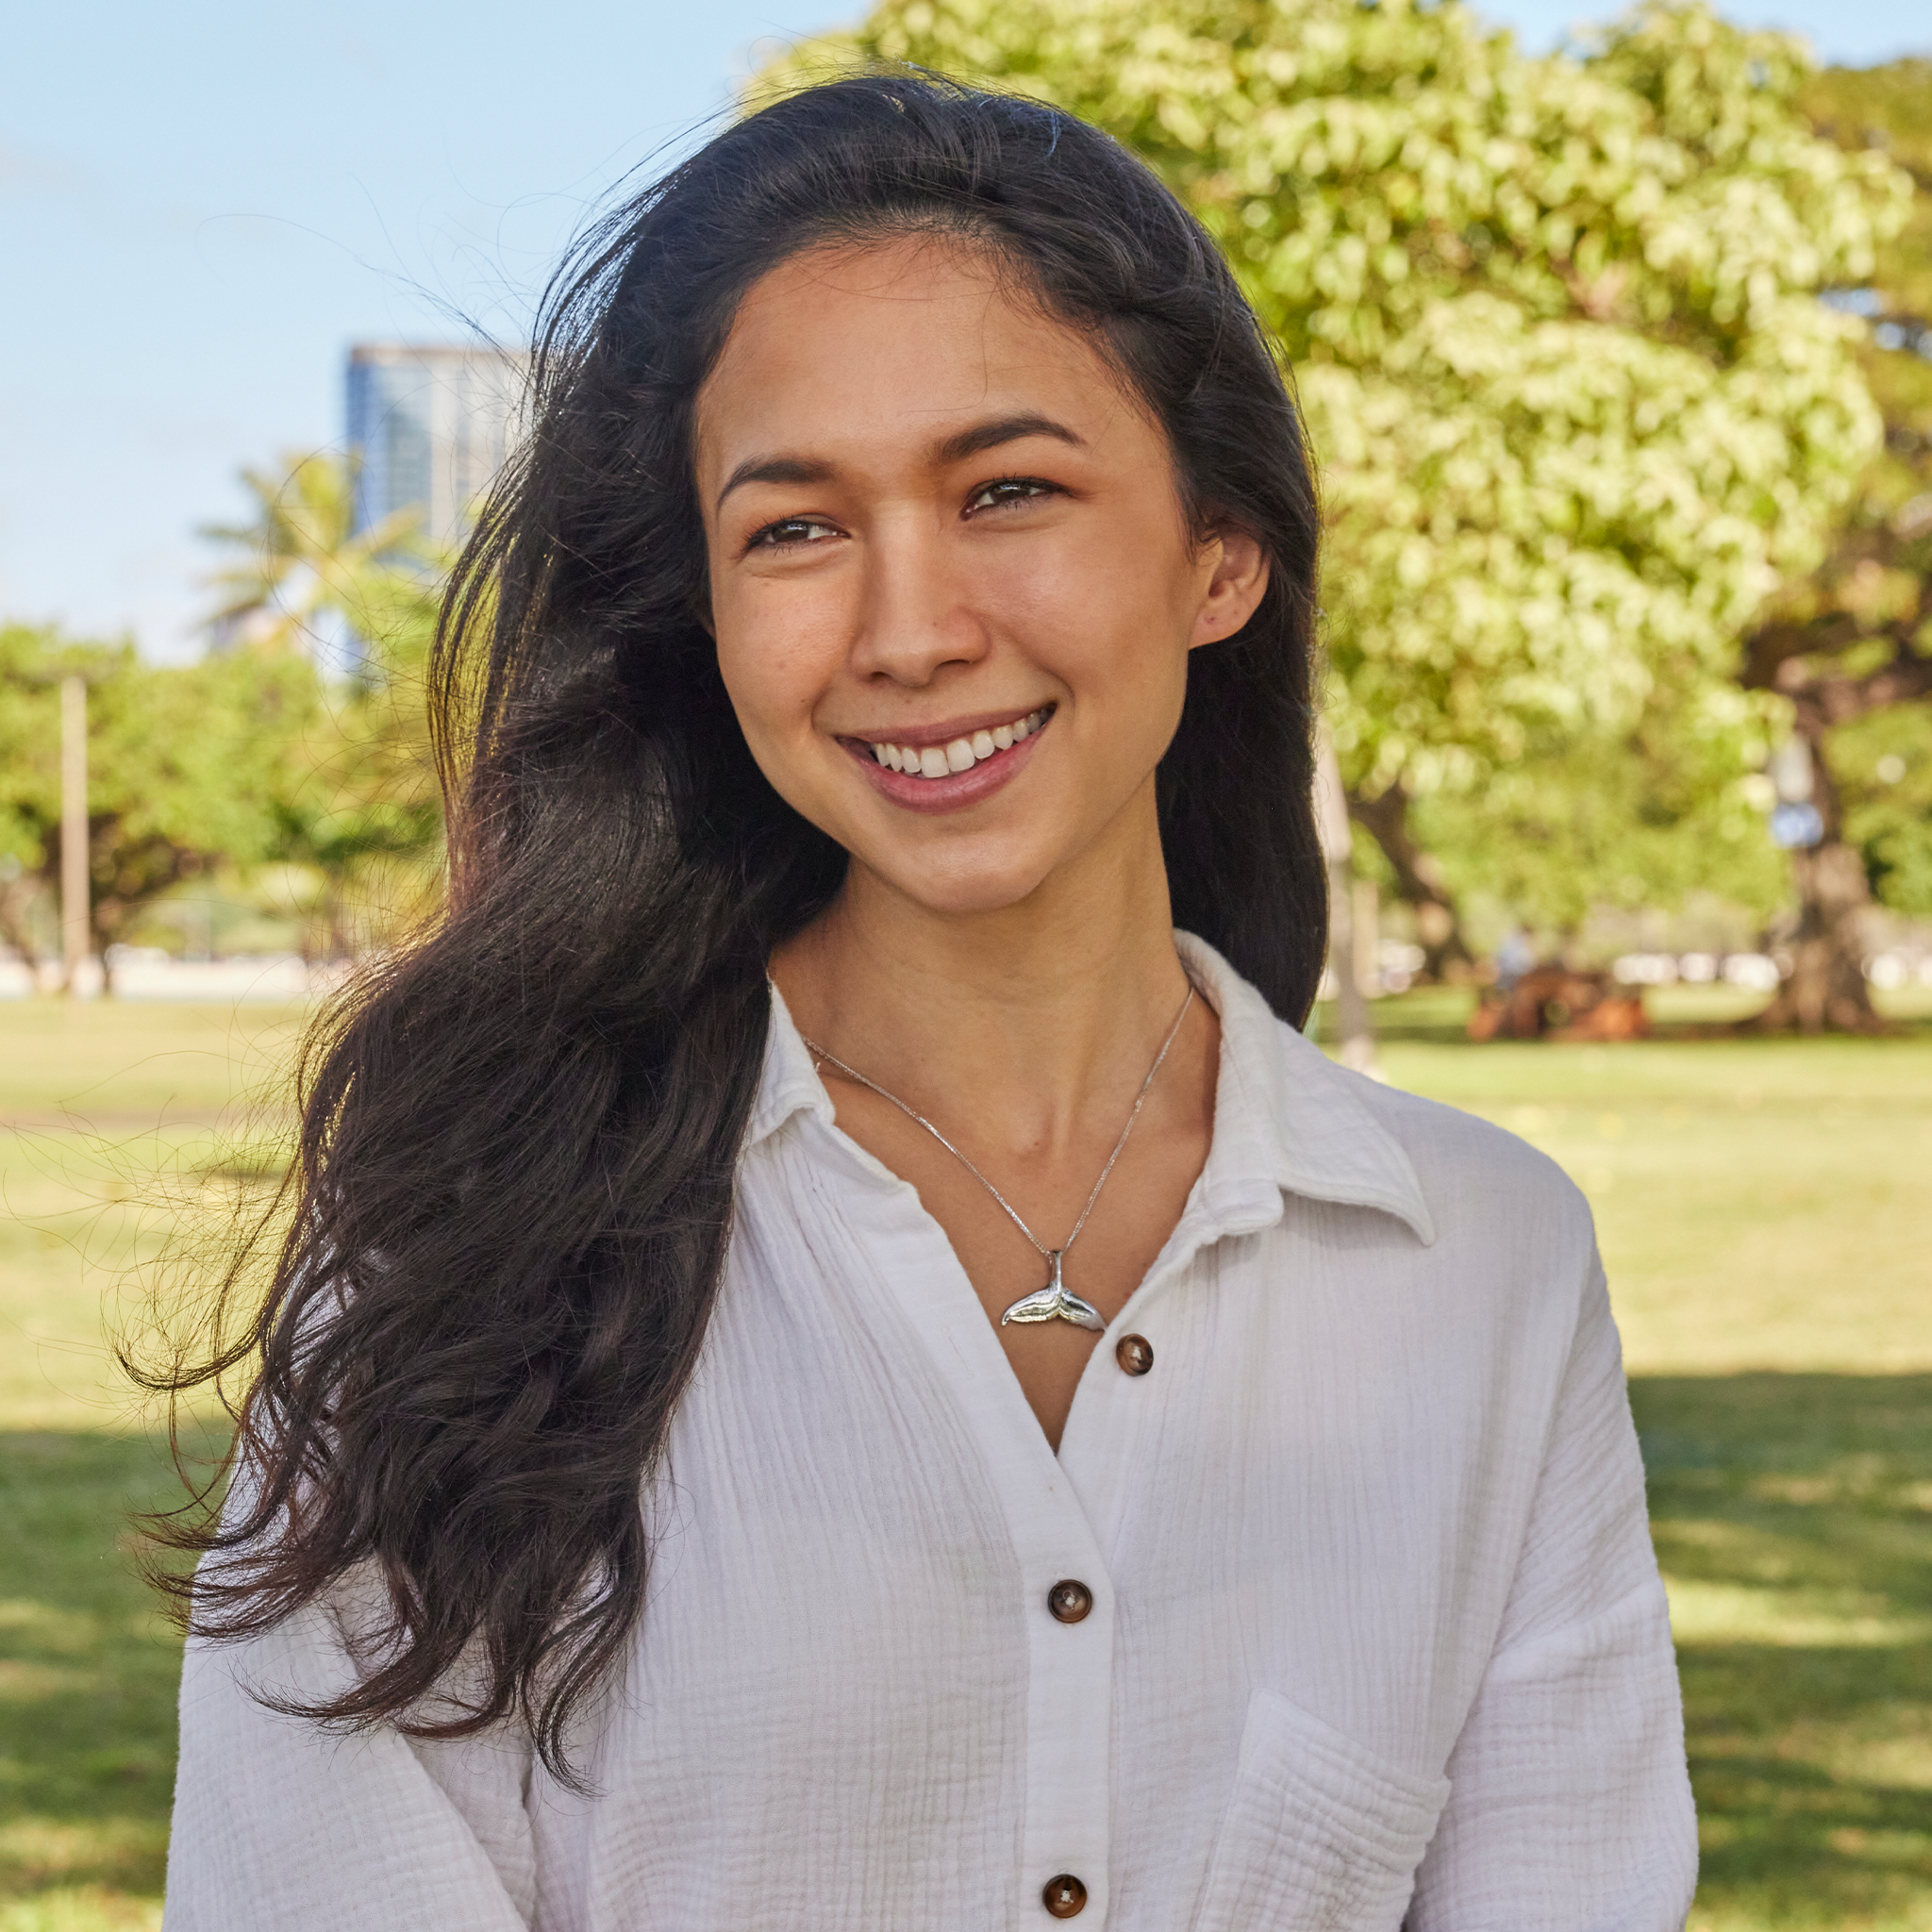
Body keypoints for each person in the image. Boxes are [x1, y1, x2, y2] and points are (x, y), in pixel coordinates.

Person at [158, 73, 1696, 1930]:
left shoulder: (1486, 1271)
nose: (908, 628)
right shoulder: (446, 1255)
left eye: (1010, 489)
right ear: (705, 616)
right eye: (795, 528)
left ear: (1221, 551)